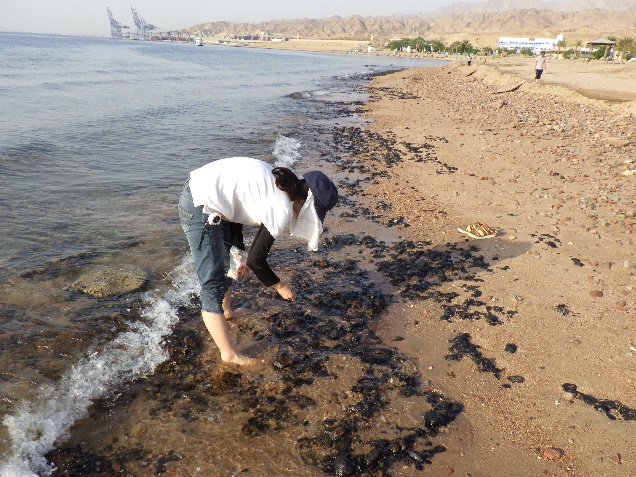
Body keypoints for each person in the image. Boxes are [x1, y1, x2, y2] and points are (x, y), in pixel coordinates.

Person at [178, 157, 338, 365]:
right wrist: (280, 286)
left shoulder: (280, 185)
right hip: (198, 202)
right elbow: (257, 261)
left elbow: (235, 211)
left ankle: (226, 312)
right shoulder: (282, 206)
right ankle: (229, 354)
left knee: (226, 262)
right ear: (306, 202)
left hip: (210, 197)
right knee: (212, 281)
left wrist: (237, 255)